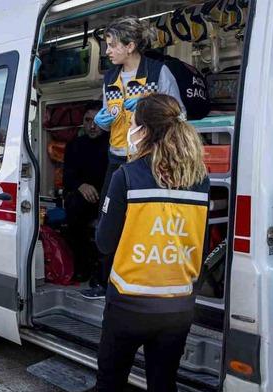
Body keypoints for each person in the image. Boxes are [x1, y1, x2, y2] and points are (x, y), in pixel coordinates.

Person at [79, 95, 210, 392]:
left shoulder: (127, 176)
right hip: (178, 306)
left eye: (134, 124)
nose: (129, 132)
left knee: (110, 386)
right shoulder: (200, 180)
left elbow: (104, 242)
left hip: (129, 305)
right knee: (163, 389)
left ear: (145, 131)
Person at [86, 16, 186, 299]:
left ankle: (145, 283)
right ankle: (106, 282)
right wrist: (102, 122)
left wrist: (147, 104)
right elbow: (106, 121)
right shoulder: (109, 78)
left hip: (150, 159)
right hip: (117, 159)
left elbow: (179, 114)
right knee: (108, 219)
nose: (107, 51)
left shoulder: (157, 72)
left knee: (144, 221)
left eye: (112, 45)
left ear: (130, 46)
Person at [63, 101, 109, 284]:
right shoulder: (75, 145)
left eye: (97, 121)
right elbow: (68, 177)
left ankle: (103, 273)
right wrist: (81, 185)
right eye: (88, 120)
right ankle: (83, 267)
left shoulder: (113, 145)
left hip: (108, 198)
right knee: (74, 209)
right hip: (84, 198)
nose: (92, 125)